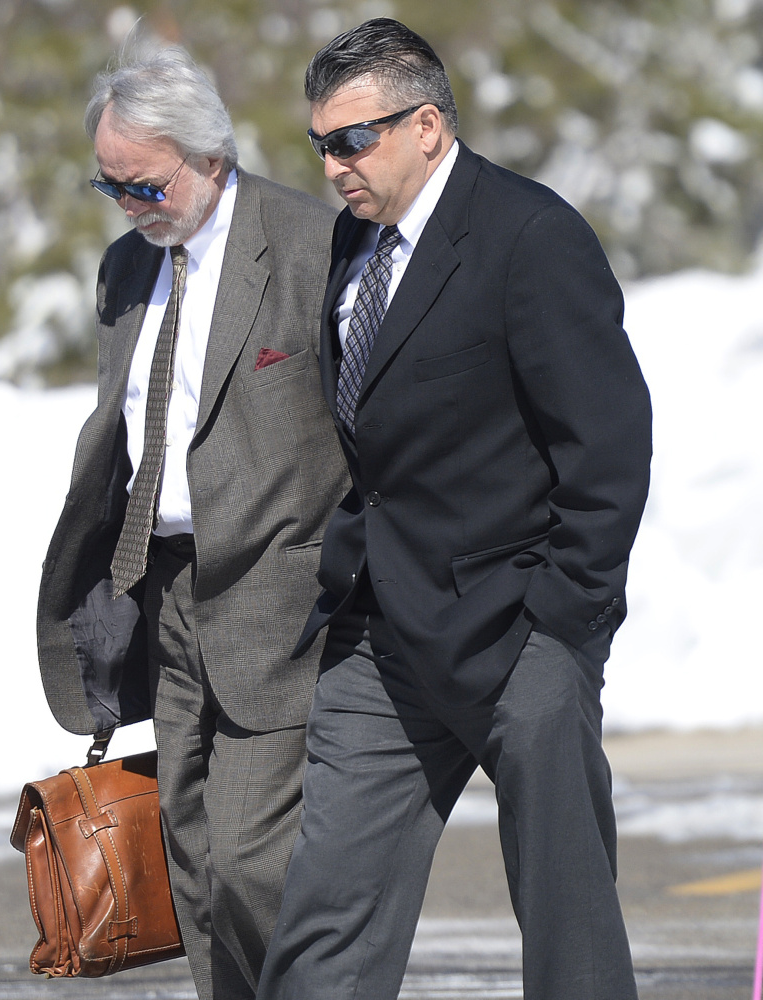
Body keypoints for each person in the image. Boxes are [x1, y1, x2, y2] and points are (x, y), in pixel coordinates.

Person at [256, 17, 652, 1000]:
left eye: (354, 139)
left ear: (427, 125)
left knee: (570, 935)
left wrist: (563, 623)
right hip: (383, 635)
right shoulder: (354, 242)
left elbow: (607, 442)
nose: (334, 164)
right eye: (321, 144)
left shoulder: (530, 234)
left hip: (517, 631)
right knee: (323, 929)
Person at [35, 43, 348, 1000]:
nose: (129, 205)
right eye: (110, 185)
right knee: (193, 862)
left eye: (144, 185)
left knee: (257, 862)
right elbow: (126, 427)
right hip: (163, 590)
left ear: (211, 158)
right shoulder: (126, 268)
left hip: (278, 599)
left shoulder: (310, 244)